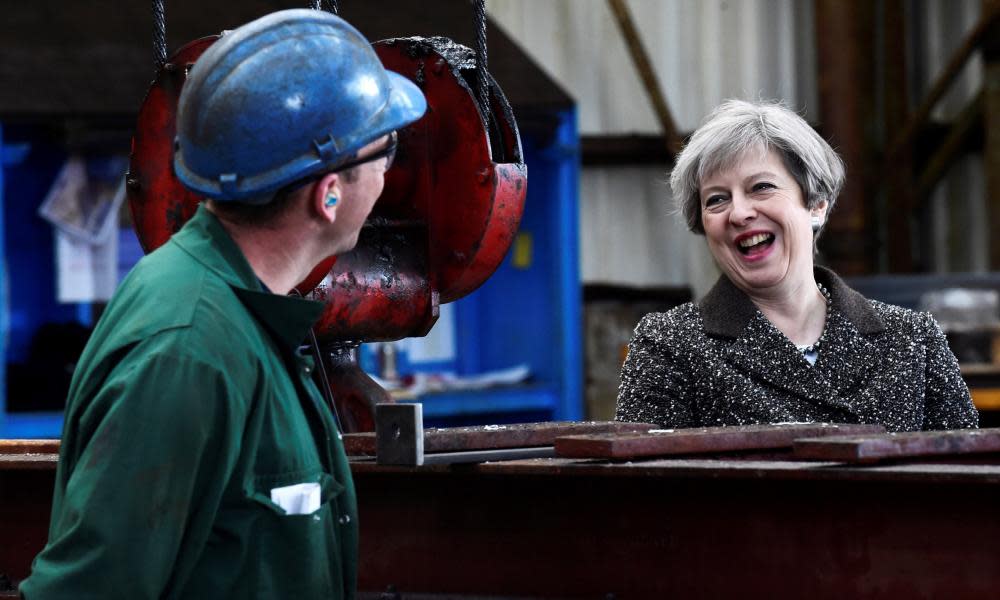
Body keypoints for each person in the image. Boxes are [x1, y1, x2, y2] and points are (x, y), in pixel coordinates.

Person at [21, 9, 426, 599]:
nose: (389, 178)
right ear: (329, 193)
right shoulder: (189, 352)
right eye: (384, 154)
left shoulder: (242, 317)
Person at [616, 99, 977, 432]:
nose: (739, 213)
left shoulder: (913, 340)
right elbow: (643, 496)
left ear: (816, 204)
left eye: (761, 187)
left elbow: (969, 487)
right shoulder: (670, 346)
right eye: (717, 199)